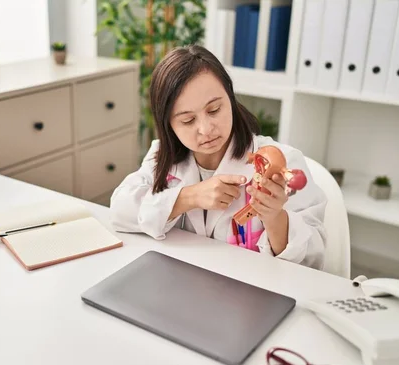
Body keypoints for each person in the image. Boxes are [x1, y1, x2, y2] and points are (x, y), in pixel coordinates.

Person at [109, 45, 327, 270]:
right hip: (184, 282)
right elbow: (119, 211)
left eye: (214, 110)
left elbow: (314, 258)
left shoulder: (285, 162)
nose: (205, 129)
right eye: (187, 120)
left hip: (251, 291)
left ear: (230, 99)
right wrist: (189, 197)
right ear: (168, 125)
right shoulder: (163, 157)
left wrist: (275, 217)